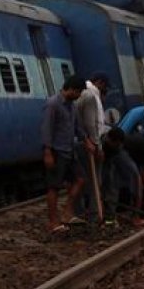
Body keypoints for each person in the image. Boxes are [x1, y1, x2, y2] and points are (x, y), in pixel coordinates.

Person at [41, 75, 92, 233]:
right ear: (71, 89)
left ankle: (67, 212)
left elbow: (77, 127)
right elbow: (46, 129)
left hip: (70, 150)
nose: (79, 96)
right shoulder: (53, 104)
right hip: (56, 151)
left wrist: (86, 140)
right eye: (79, 92)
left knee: (80, 179)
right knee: (54, 187)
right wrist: (47, 152)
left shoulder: (72, 106)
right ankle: (53, 222)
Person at [75, 71, 109, 223]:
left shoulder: (83, 94)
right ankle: (95, 214)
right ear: (100, 83)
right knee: (95, 180)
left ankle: (79, 212)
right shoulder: (90, 96)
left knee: (81, 179)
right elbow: (91, 124)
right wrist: (97, 146)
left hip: (80, 142)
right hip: (89, 144)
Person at [102, 127, 144, 227]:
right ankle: (108, 218)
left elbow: (136, 178)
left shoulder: (122, 151)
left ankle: (134, 216)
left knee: (117, 185)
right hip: (106, 159)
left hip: (123, 161)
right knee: (108, 185)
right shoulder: (103, 142)